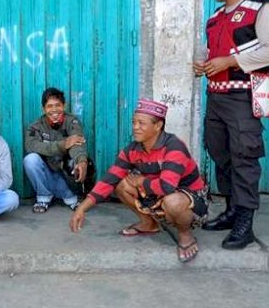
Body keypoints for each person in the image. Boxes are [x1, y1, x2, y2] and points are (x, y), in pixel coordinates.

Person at [193, 0, 269, 250]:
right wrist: (204, 65)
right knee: (220, 153)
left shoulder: (261, 9)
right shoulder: (216, 17)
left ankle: (245, 222)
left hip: (243, 96)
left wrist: (229, 62)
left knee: (244, 157)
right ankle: (232, 209)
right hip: (217, 95)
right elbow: (217, 53)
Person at [69, 99, 208, 263]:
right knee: (121, 184)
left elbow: (167, 186)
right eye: (134, 122)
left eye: (142, 123)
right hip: (158, 196)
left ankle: (185, 235)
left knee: (173, 202)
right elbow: (109, 180)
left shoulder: (174, 147)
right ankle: (149, 224)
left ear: (158, 126)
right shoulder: (132, 149)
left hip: (192, 202)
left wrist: (141, 181)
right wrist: (82, 208)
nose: (135, 127)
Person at [24, 87, 89, 213]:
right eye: (49, 106)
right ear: (43, 109)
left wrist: (82, 161)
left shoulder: (72, 121)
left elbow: (77, 144)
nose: (54, 110)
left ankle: (71, 195)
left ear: (64, 106)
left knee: (80, 162)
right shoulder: (35, 126)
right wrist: (63, 144)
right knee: (30, 160)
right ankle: (43, 197)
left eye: (57, 105)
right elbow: (31, 146)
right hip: (48, 172)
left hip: (66, 173)